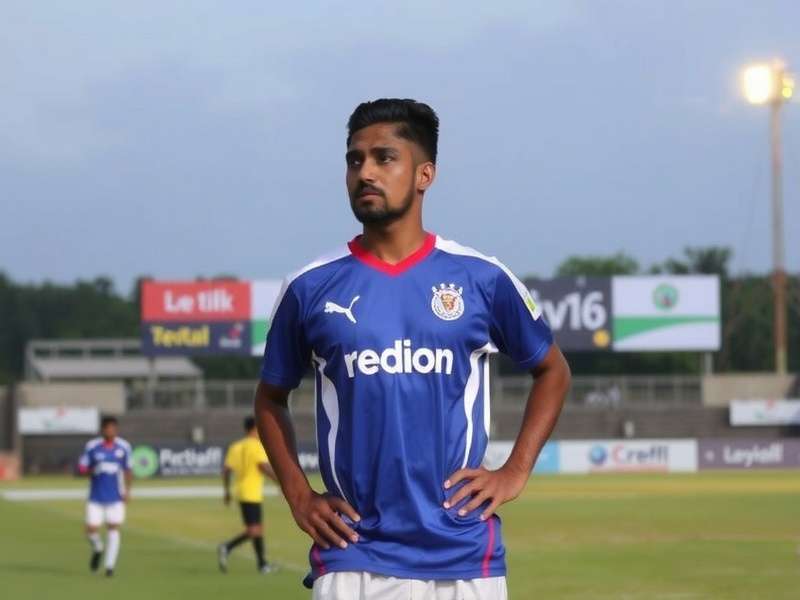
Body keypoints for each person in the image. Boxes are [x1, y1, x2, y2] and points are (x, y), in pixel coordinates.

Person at [255, 98, 571, 600]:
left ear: (425, 174)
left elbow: (552, 370)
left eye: (384, 158)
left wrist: (514, 472)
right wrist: (298, 495)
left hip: (463, 552)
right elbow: (270, 398)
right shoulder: (309, 287)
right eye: (354, 160)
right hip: (352, 551)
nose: (365, 172)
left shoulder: (481, 277)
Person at [218, 416, 277, 574]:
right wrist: (280, 482)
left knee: (257, 529)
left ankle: (262, 564)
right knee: (254, 530)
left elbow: (226, 471)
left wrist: (226, 491)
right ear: (255, 428)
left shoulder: (236, 446)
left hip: (241, 492)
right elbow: (263, 466)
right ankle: (227, 547)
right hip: (252, 493)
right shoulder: (257, 446)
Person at [78, 415, 132, 577]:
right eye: (107, 428)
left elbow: (128, 470)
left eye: (113, 428)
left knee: (113, 528)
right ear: (102, 430)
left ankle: (110, 566)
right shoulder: (93, 447)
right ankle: (98, 548)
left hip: (116, 497)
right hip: (96, 496)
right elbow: (82, 468)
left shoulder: (123, 447)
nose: (110, 431)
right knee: (90, 530)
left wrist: (128, 491)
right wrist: (90, 471)